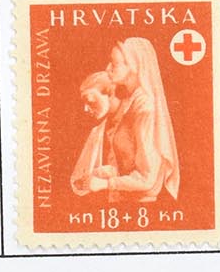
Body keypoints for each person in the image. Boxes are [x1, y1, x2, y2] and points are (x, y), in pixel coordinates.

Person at [70, 39, 181, 201]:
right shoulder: (128, 103)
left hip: (140, 206)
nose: (108, 68)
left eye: (115, 64)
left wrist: (105, 184)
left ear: (133, 66)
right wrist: (102, 173)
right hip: (123, 202)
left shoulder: (144, 108)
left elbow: (146, 179)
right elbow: (128, 164)